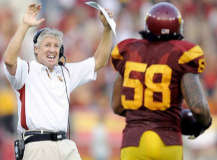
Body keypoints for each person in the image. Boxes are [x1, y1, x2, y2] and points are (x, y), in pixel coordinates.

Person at [3, 3, 113, 160]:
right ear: (36, 49)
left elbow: (99, 61)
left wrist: (107, 30)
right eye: (47, 45)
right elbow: (8, 60)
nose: (52, 49)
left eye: (56, 46)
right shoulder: (26, 69)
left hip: (65, 145)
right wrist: (24, 26)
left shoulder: (66, 71)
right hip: (37, 144)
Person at [111, 2, 212, 160]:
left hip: (133, 142)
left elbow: (116, 106)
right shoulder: (181, 54)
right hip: (167, 140)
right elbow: (198, 108)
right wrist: (204, 123)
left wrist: (141, 115)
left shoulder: (130, 52)